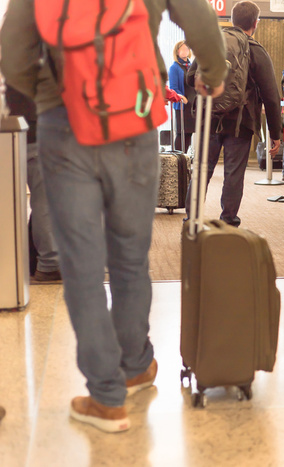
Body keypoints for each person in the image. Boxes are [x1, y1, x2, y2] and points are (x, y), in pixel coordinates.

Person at [0, 0, 227, 433]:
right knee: (129, 254)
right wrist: (212, 73)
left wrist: (53, 94)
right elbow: (198, 16)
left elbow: (12, 54)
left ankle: (106, 398)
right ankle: (136, 365)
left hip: (64, 125)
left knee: (82, 266)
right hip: (135, 114)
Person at [185, 1, 282, 227]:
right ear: (255, 23)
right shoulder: (256, 50)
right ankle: (228, 221)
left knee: (202, 169)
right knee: (233, 173)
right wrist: (275, 133)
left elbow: (190, 78)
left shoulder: (212, 43)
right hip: (241, 121)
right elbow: (271, 95)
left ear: (232, 18)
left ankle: (191, 219)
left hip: (208, 117)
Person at [5, 84, 61, 282]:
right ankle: (50, 264)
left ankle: (10, 265)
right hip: (39, 131)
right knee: (45, 203)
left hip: (8, 130)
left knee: (8, 206)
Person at [169, 41, 196, 153]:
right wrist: (182, 98)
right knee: (182, 133)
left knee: (189, 133)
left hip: (192, 105)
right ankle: (178, 159)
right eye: (183, 49)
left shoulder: (191, 66)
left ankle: (184, 159)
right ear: (177, 51)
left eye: (187, 49)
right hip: (182, 105)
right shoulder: (174, 68)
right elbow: (173, 87)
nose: (185, 51)